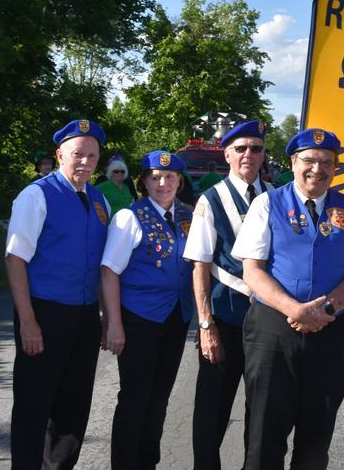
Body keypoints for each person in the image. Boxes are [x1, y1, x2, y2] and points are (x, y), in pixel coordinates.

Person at [232, 128, 344, 470]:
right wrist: (296, 310)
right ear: (293, 162)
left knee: (317, 433)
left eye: (327, 162)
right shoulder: (267, 202)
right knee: (265, 432)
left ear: (335, 167)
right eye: (309, 160)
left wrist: (326, 309)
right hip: (273, 329)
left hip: (328, 329)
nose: (317, 168)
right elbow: (252, 270)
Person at [5, 119, 110, 469]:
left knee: (74, 405)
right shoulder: (37, 194)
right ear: (60, 154)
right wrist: (28, 321)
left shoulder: (99, 199)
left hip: (84, 314)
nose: (85, 162)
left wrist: (107, 318)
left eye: (92, 156)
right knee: (35, 405)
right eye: (77, 154)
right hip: (45, 312)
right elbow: (16, 259)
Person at [184, 120, 273, 469]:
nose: (249, 155)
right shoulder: (211, 199)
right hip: (225, 315)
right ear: (227, 154)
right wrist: (206, 325)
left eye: (256, 148)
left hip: (267, 321)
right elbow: (199, 266)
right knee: (212, 408)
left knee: (263, 410)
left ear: (265, 154)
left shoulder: (276, 196)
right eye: (241, 148)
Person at [101, 150, 195, 469]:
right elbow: (110, 271)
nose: (162, 183)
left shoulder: (187, 216)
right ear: (143, 182)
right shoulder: (130, 217)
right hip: (139, 319)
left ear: (180, 182)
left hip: (176, 318)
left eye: (169, 177)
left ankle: (147, 463)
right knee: (134, 400)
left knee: (159, 400)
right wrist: (113, 324)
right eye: (155, 177)